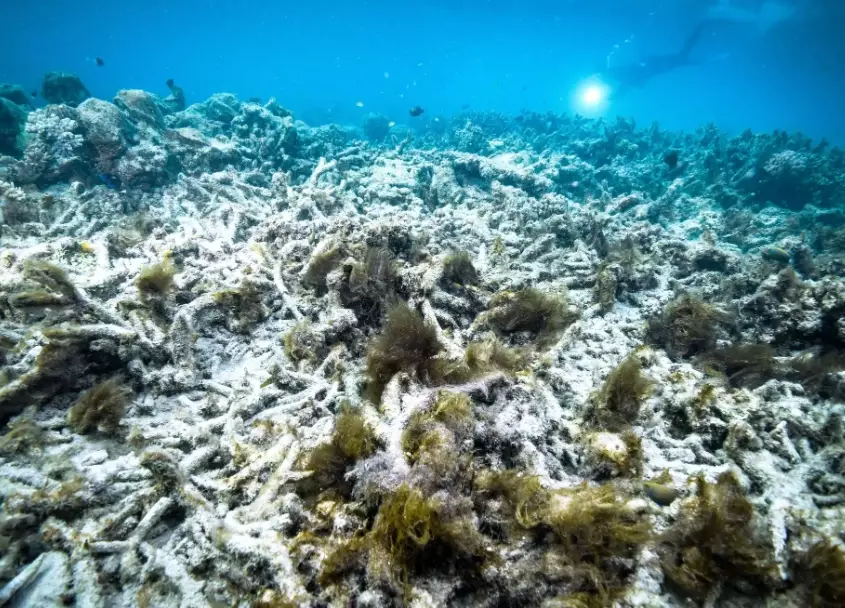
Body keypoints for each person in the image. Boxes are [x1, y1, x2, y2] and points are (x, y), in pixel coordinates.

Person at [600, 21, 714, 98]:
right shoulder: (619, 75)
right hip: (653, 64)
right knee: (682, 58)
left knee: (682, 58)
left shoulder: (620, 76)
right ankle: (698, 39)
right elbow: (629, 82)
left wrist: (618, 94)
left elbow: (628, 82)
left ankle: (698, 35)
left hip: (655, 65)